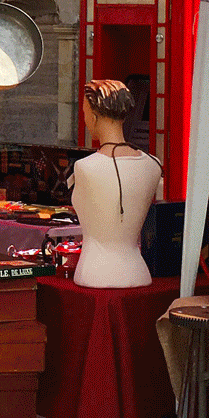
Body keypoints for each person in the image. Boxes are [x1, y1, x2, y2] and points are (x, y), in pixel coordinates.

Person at [69, 80, 161, 288]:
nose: (84, 119)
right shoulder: (153, 164)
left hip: (95, 273)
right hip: (137, 271)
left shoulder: (85, 167)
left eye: (84, 113)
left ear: (93, 116)